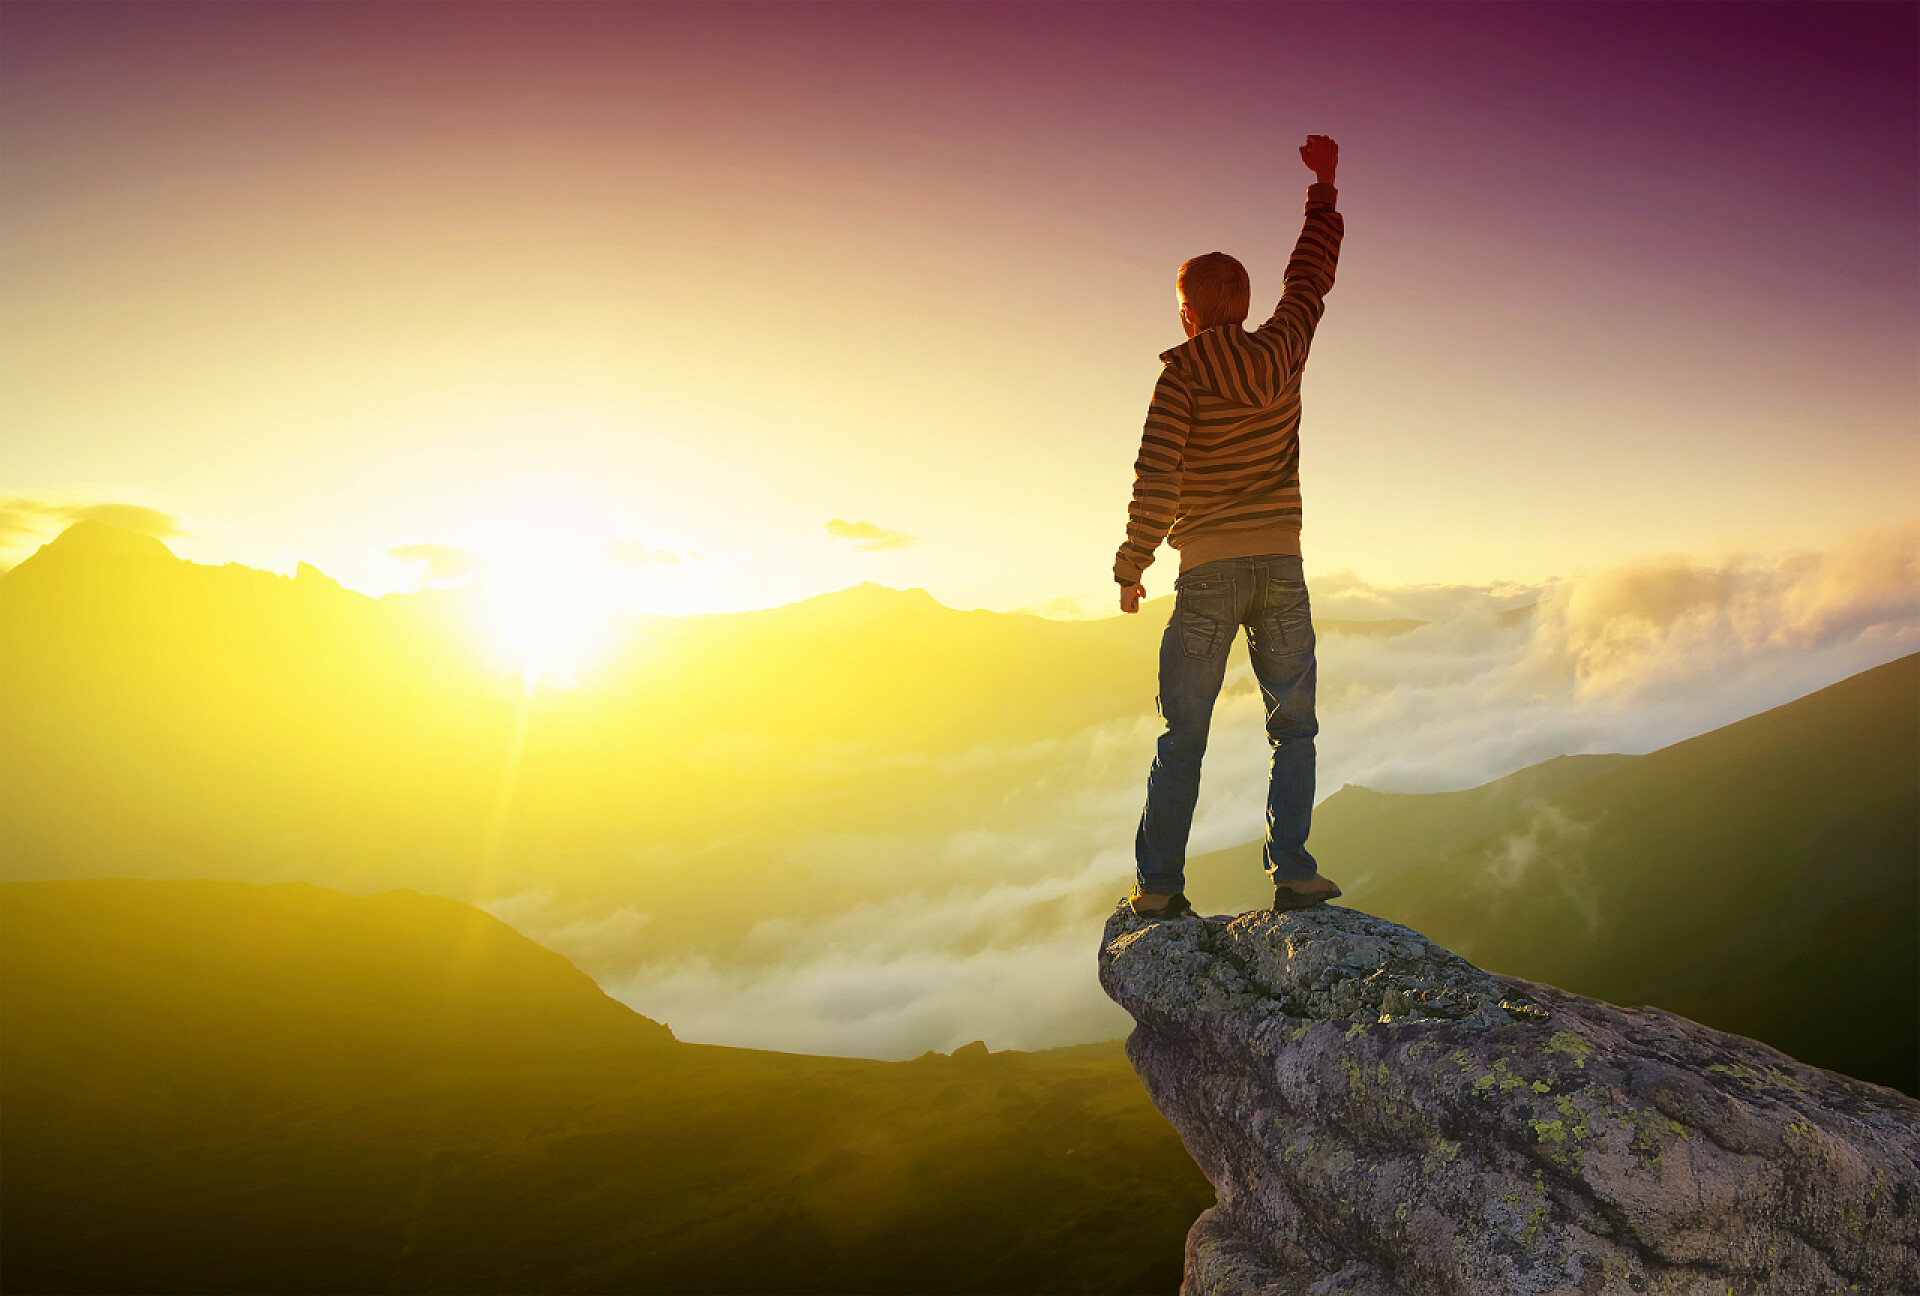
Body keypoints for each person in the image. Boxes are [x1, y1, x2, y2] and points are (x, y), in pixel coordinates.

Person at [1114, 134, 1345, 921]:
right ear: (1244, 307)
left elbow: (1158, 474)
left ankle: (1159, 888)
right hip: (1281, 567)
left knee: (1184, 734)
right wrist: (1323, 186)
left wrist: (1132, 562)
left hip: (1207, 572)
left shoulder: (1180, 375)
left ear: (1187, 312)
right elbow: (1310, 278)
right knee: (1295, 729)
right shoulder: (1284, 349)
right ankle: (1295, 874)